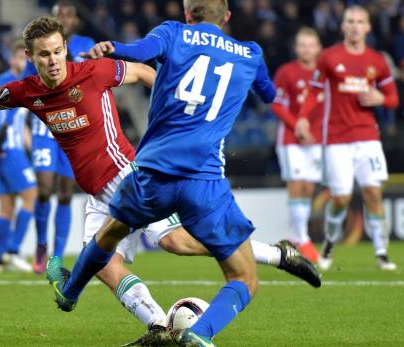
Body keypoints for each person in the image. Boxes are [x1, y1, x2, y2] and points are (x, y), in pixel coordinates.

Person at [0, 16, 319, 347]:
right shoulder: (27, 91)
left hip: (128, 176)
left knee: (173, 242)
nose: (54, 60)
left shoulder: (93, 72)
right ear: (30, 56)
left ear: (66, 50)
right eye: (44, 55)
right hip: (96, 193)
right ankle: (158, 324)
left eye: (58, 51)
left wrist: (174, 110)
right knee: (103, 265)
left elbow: (145, 74)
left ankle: (277, 254)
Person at [47, 1, 318, 345]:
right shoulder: (250, 53)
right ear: (228, 17)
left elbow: (138, 51)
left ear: (188, 15)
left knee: (108, 235)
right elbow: (268, 94)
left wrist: (113, 48)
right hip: (203, 183)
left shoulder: (172, 33)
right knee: (243, 278)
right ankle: (199, 335)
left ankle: (69, 293)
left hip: (152, 173)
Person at [297, 5, 399, 271]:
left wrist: (380, 98)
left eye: (360, 21)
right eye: (350, 21)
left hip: (368, 137)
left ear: (368, 27)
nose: (355, 26)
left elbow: (393, 98)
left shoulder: (377, 61)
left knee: (373, 193)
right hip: (337, 139)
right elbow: (314, 91)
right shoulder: (329, 57)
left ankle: (382, 253)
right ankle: (330, 241)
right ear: (343, 26)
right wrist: (304, 117)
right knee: (340, 198)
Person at [24, 1, 96, 273]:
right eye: (59, 14)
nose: (65, 18)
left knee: (65, 194)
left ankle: (57, 254)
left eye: (69, 14)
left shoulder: (87, 44)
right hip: (46, 125)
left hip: (74, 126)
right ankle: (41, 245)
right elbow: (26, 85)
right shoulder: (39, 48)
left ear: (76, 21)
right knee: (44, 190)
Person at [0, 40, 36, 273]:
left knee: (6, 207)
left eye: (27, 58)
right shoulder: (5, 82)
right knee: (32, 196)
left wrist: (32, 146)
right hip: (7, 149)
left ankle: (1, 259)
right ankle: (13, 251)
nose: (24, 62)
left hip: (10, 149)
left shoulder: (25, 83)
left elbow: (18, 122)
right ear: (12, 59)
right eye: (20, 58)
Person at [271, 27, 324, 262]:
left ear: (318, 48)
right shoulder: (286, 72)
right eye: (302, 45)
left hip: (317, 139)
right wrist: (298, 126)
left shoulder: (325, 73)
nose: (306, 49)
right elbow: (277, 104)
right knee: (296, 184)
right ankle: (304, 238)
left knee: (308, 189)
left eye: (310, 45)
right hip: (291, 139)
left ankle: (295, 236)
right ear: (296, 48)